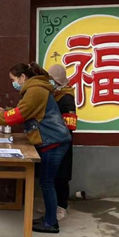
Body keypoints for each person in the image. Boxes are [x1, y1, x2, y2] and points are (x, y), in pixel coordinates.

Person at [0, 62, 71, 233]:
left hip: (52, 142)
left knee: (47, 183)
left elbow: (20, 114)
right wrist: (5, 112)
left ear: (23, 77)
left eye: (13, 79)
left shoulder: (36, 90)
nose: (13, 83)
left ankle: (51, 223)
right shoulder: (34, 89)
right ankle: (49, 218)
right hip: (50, 141)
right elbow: (23, 109)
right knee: (47, 182)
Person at [48, 64, 77, 221]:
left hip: (62, 143)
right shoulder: (54, 95)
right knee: (52, 176)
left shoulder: (67, 98)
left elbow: (70, 125)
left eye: (52, 80)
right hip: (52, 142)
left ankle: (62, 206)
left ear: (58, 81)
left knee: (61, 176)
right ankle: (53, 205)